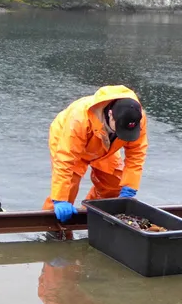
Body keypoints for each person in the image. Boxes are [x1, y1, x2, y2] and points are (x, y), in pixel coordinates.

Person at [42, 85, 148, 225]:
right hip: (67, 140)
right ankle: (51, 228)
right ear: (110, 114)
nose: (124, 133)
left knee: (114, 184)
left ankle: (93, 217)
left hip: (105, 146)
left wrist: (130, 186)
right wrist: (60, 199)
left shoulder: (138, 119)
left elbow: (136, 153)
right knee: (67, 190)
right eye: (120, 128)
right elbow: (65, 160)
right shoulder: (80, 118)